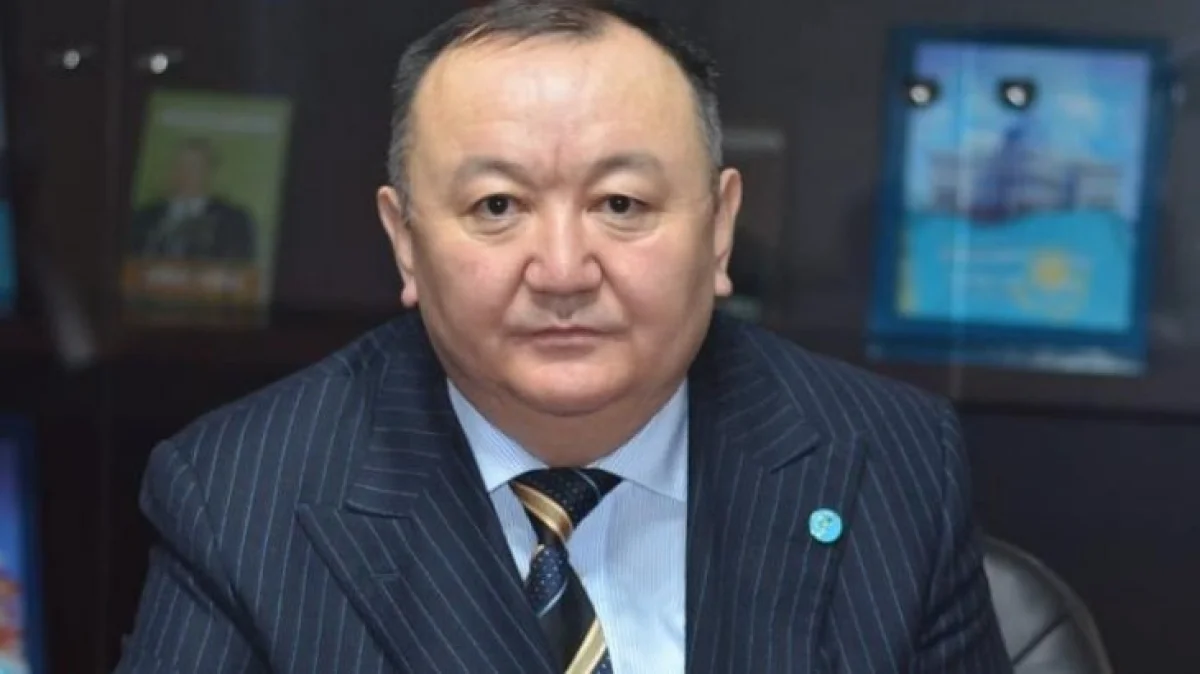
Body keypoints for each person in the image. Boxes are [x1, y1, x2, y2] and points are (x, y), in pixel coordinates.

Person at [114, 1, 1010, 672]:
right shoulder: (242, 497)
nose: (563, 269)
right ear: (406, 241)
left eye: (621, 203)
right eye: (496, 206)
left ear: (720, 229)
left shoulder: (890, 462)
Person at [127, 137, 257, 262]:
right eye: (179, 166)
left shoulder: (233, 220)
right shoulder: (144, 217)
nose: (185, 174)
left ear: (210, 173)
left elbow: (237, 265)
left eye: (194, 167)